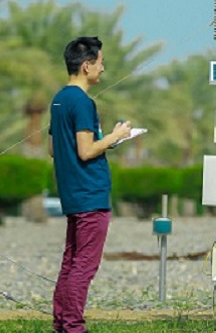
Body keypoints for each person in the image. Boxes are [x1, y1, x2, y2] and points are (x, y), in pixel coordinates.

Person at [48, 36, 131, 333]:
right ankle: (73, 326)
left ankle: (61, 322)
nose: (103, 69)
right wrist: (115, 136)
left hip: (72, 195)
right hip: (90, 195)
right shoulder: (82, 102)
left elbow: (54, 148)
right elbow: (85, 150)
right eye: (100, 62)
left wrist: (101, 141)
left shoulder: (59, 99)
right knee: (83, 265)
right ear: (86, 66)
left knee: (71, 262)